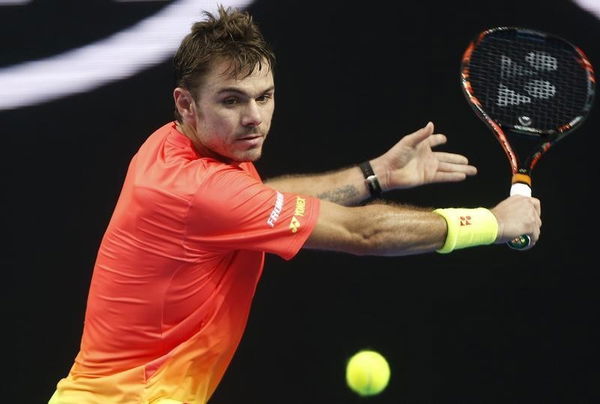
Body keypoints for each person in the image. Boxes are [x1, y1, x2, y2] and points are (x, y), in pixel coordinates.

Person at [49, 5, 541, 404]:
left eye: (264, 97)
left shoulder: (174, 145)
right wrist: (491, 223)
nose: (254, 118)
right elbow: (362, 234)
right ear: (185, 103)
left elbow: (260, 202)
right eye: (232, 100)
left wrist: (375, 175)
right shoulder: (197, 190)